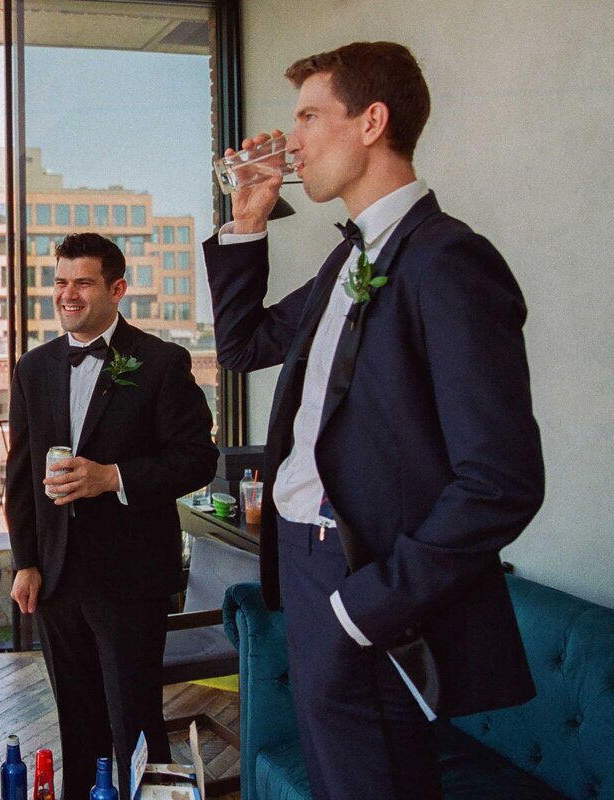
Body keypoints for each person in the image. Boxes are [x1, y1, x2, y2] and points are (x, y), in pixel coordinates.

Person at [203, 42, 544, 799]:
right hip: (304, 569)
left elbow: (502, 481)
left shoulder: (449, 260)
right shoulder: (347, 260)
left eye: (309, 116)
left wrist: (369, 606)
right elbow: (242, 345)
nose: (290, 141)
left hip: (367, 591)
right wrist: (249, 216)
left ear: (371, 122)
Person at [5, 232, 218, 798]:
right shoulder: (34, 368)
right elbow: (20, 475)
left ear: (117, 289)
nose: (67, 295)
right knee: (75, 719)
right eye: (60, 282)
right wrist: (26, 561)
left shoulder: (161, 362)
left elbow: (197, 458)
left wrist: (111, 477)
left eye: (83, 282)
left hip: (129, 578)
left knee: (135, 718)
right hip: (54, 576)